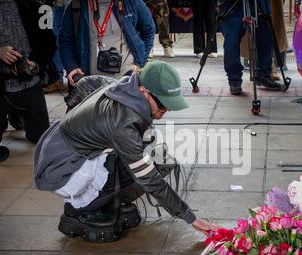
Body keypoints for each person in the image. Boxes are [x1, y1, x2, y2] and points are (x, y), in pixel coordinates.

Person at [34, 61, 219, 242]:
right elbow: (151, 180)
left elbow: (87, 82)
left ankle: (100, 198)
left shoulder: (126, 85)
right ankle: (79, 211)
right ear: (143, 91)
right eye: (163, 103)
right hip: (60, 169)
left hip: (57, 148)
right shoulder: (124, 123)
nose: (168, 109)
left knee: (141, 158)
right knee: (137, 168)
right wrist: (192, 219)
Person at [0, 0, 56, 143]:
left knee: (41, 138)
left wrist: (35, 64)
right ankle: (7, 118)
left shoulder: (40, 6)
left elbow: (49, 43)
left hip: (29, 83)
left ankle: (17, 118)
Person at [60, 0, 155, 87]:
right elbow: (66, 40)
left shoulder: (132, 2)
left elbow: (149, 30)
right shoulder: (76, 6)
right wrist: (72, 66)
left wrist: (139, 63)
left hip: (127, 79)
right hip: (91, 81)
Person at [218, 0, 283, 95]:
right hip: (232, 6)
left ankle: (263, 74)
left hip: (259, 4)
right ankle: (234, 80)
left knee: (265, 34)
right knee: (232, 40)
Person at [43, 0, 69, 93]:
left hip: (64, 5)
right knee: (54, 37)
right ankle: (57, 78)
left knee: (57, 39)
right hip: (56, 5)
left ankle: (58, 78)